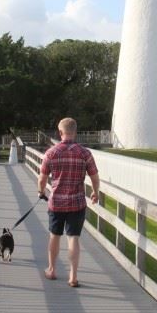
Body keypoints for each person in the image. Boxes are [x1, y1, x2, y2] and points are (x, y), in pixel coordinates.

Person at [37, 117, 100, 287]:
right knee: (73, 238)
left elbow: (42, 178)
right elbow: (94, 176)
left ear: (60, 132)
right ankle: (73, 276)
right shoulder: (85, 153)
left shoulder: (51, 153)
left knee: (54, 236)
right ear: (75, 132)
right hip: (77, 203)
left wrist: (41, 192)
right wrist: (95, 192)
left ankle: (51, 269)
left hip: (56, 203)